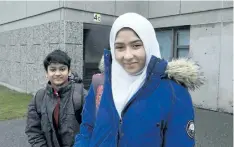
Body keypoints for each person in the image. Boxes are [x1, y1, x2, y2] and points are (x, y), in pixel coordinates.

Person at [74, 12, 205, 147]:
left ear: (149, 45)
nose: (128, 55)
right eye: (119, 47)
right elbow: (87, 129)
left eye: (136, 45)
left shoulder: (174, 93)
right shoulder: (100, 84)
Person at [25, 50, 87, 147]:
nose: (57, 73)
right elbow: (33, 131)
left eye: (62, 69)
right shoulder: (39, 98)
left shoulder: (81, 95)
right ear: (47, 73)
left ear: (69, 71)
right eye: (53, 70)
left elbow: (90, 128)